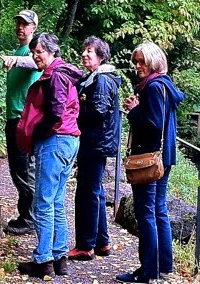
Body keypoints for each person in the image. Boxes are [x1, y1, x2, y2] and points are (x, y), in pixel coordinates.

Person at [115, 42, 184, 283]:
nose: (137, 66)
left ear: (154, 62)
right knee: (158, 210)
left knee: (146, 213)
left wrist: (134, 110)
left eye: (142, 61)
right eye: (135, 61)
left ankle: (147, 271)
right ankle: (163, 266)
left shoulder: (153, 88)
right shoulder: (165, 85)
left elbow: (153, 125)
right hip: (164, 157)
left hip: (149, 158)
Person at [17, 33, 83, 279]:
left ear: (52, 52)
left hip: (55, 141)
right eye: (33, 52)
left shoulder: (54, 76)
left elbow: (55, 112)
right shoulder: (66, 73)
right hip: (70, 140)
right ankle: (60, 256)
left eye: (40, 52)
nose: (36, 56)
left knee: (43, 202)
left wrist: (36, 134)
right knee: (56, 200)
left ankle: (43, 259)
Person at [68, 36, 121, 261]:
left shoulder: (101, 80)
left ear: (101, 56)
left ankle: (85, 245)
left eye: (90, 51)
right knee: (95, 191)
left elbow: (98, 112)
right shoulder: (96, 78)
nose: (85, 55)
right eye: (84, 50)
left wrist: (76, 109)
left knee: (87, 193)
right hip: (98, 141)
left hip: (95, 142)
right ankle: (102, 242)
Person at [1, 10, 41, 236]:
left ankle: (30, 218)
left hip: (24, 120)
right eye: (18, 23)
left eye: (25, 24)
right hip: (14, 118)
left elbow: (35, 63)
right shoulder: (19, 50)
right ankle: (27, 214)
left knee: (25, 170)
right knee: (18, 170)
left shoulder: (31, 51)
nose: (20, 28)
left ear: (33, 27)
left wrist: (15, 59)